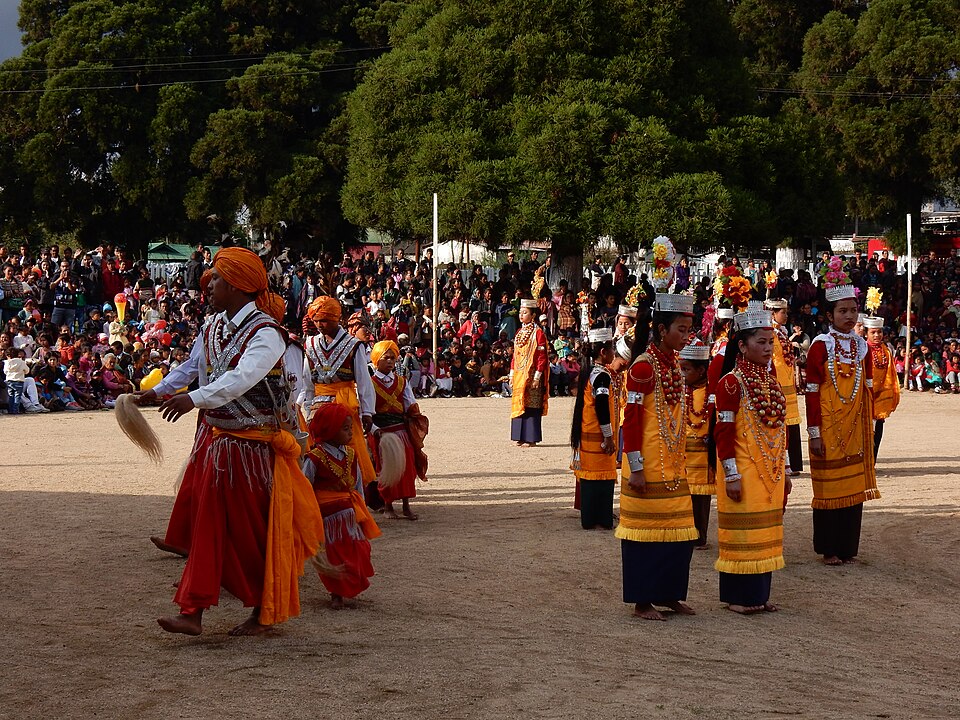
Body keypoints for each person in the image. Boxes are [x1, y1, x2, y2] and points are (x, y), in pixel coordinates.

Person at [150, 247, 326, 637]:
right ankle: (193, 610)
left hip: (253, 449)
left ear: (235, 285)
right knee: (210, 528)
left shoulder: (267, 333)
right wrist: (159, 390)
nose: (209, 285)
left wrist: (193, 398)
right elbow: (193, 367)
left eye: (215, 278)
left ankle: (262, 610)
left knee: (249, 534)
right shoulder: (213, 326)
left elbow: (243, 377)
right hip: (220, 443)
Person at [618, 293, 698, 621]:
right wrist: (636, 468)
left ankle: (669, 594)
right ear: (663, 330)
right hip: (648, 465)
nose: (687, 337)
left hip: (673, 464)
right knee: (645, 535)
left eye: (689, 330)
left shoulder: (672, 364)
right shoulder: (642, 367)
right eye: (682, 330)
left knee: (679, 533)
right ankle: (642, 602)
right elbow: (632, 420)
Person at [714, 306, 790, 614]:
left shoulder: (772, 381)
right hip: (743, 469)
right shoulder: (730, 383)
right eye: (761, 342)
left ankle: (760, 594)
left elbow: (780, 429)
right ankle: (738, 597)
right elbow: (723, 432)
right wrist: (731, 474)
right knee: (743, 532)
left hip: (770, 468)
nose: (768, 348)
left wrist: (786, 468)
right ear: (742, 346)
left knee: (766, 530)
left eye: (771, 342)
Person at [805, 263, 879, 566]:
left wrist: (869, 426)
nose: (849, 316)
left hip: (854, 428)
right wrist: (814, 433)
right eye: (842, 311)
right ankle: (828, 548)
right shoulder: (820, 346)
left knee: (852, 487)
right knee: (829, 486)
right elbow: (811, 393)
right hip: (828, 427)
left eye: (853, 310)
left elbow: (868, 389)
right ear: (829, 315)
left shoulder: (862, 346)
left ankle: (848, 547)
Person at [302, 402, 381, 608]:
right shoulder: (314, 458)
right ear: (329, 430)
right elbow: (304, 487)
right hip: (327, 519)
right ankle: (336, 593)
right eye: (345, 429)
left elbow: (358, 485)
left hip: (350, 516)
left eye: (350, 428)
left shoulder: (351, 455)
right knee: (334, 555)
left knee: (359, 550)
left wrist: (361, 508)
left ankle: (349, 587)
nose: (350, 433)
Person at [301, 296, 377, 486]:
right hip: (318, 408)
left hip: (345, 406)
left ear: (337, 319)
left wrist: (367, 412)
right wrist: (308, 407)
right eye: (316, 321)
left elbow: (363, 381)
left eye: (324, 320)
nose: (320, 325)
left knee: (350, 449)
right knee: (317, 450)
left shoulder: (353, 345)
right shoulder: (310, 344)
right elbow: (307, 381)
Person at [570, 328, 627, 530]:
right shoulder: (602, 376)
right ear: (603, 352)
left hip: (587, 435)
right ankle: (602, 518)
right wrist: (608, 436)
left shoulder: (589, 373)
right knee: (602, 479)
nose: (613, 354)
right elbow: (602, 407)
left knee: (589, 478)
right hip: (598, 437)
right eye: (611, 350)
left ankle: (590, 517)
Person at [367, 340, 428, 520]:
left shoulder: (402, 382)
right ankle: (388, 505)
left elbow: (410, 404)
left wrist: (414, 419)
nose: (390, 361)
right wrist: (375, 430)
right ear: (376, 359)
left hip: (401, 430)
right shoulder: (369, 383)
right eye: (386, 357)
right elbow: (366, 409)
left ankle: (406, 505)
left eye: (393, 358)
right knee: (386, 468)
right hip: (381, 432)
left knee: (407, 467)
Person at [678, 338, 714, 549]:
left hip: (703, 455)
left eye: (686, 369)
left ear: (701, 371)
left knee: (701, 496)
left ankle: (700, 536)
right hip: (683, 454)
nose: (681, 374)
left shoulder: (711, 393)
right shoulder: (679, 391)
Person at [765, 299, 803, 475]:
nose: (786, 316)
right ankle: (784, 462)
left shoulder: (781, 332)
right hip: (778, 381)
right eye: (783, 312)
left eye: (786, 312)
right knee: (781, 421)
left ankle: (794, 464)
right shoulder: (770, 333)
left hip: (787, 381)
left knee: (791, 421)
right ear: (773, 314)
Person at [509, 298, 549, 447]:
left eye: (525, 312)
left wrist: (537, 376)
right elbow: (515, 356)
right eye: (520, 312)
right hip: (519, 374)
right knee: (520, 402)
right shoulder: (519, 332)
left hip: (533, 374)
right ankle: (519, 436)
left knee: (532, 404)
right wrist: (511, 374)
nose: (521, 315)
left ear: (533, 315)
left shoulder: (538, 333)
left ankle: (531, 438)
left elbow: (542, 357)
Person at [864, 317, 899, 459]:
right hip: (865, 396)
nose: (877, 335)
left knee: (877, 431)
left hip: (880, 399)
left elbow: (890, 374)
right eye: (873, 332)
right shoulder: (862, 350)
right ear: (866, 333)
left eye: (879, 332)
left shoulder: (886, 351)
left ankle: (872, 462)